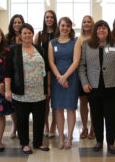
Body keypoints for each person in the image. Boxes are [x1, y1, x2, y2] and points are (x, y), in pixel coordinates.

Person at [79, 20, 115, 154]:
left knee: (111, 116)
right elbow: (82, 66)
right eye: (99, 28)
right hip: (93, 87)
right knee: (96, 116)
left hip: (112, 86)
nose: (101, 30)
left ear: (108, 30)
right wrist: (84, 82)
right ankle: (99, 141)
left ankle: (111, 142)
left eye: (104, 28)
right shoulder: (87, 45)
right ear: (95, 30)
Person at [5, 23, 49, 154]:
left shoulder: (39, 49)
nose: (27, 35)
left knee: (39, 119)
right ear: (20, 35)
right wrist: (8, 90)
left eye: (29, 32)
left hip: (39, 92)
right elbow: (8, 72)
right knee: (22, 119)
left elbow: (46, 69)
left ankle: (38, 142)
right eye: (24, 33)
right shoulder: (13, 51)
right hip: (21, 93)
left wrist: (47, 87)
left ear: (33, 34)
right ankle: (24, 143)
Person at [48, 17, 81, 149]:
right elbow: (51, 62)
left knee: (71, 108)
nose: (65, 28)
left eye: (68, 26)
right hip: (57, 80)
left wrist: (65, 77)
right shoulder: (52, 43)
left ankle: (69, 138)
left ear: (70, 28)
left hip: (71, 79)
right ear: (58, 26)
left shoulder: (75, 41)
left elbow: (76, 61)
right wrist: (59, 78)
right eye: (63, 25)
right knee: (58, 109)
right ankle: (61, 138)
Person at [34, 10, 57, 138]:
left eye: (51, 17)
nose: (49, 19)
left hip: (56, 72)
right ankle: (46, 126)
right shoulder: (39, 35)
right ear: (44, 19)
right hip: (42, 72)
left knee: (56, 102)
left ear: (54, 19)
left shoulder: (58, 34)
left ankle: (53, 125)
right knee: (45, 102)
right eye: (47, 17)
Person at [5, 14, 25, 139]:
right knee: (12, 103)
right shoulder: (7, 38)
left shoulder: (26, 36)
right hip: (11, 72)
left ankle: (22, 126)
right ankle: (14, 126)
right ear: (12, 24)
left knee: (22, 102)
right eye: (15, 22)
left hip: (24, 73)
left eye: (19, 22)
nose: (17, 24)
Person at [78, 15, 95, 140]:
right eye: (84, 22)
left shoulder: (97, 38)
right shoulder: (79, 39)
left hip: (95, 75)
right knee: (83, 103)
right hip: (82, 75)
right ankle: (84, 127)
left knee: (94, 104)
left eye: (89, 22)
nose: (86, 24)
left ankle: (94, 129)